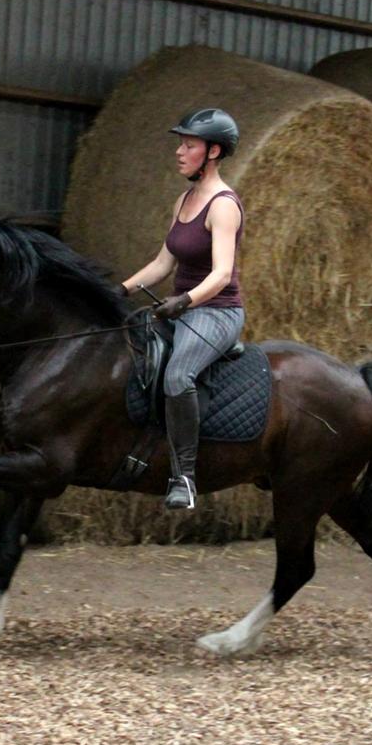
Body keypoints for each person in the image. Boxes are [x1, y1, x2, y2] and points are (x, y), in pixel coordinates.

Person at [119, 108, 245, 510]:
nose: (179, 152)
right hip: (182, 310)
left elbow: (222, 274)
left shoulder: (223, 206)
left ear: (212, 152)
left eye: (188, 145)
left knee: (177, 375)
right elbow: (162, 264)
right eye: (181, 143)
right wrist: (118, 291)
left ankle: (185, 478)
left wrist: (185, 301)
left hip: (217, 313)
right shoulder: (184, 200)